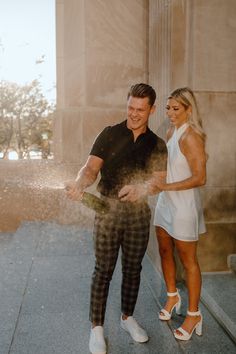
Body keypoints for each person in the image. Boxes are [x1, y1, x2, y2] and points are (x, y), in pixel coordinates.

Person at [66, 83, 167, 354]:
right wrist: (79, 184)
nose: (134, 114)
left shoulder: (157, 144)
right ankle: (96, 330)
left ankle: (127, 319)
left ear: (152, 110)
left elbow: (159, 182)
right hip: (106, 211)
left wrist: (141, 188)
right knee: (103, 270)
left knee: (133, 270)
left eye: (140, 110)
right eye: (130, 107)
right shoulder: (109, 134)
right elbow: (89, 169)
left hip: (138, 215)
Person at [119, 87, 207, 341]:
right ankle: (172, 297)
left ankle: (193, 314)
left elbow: (201, 178)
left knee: (189, 261)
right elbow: (164, 170)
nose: (170, 113)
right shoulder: (170, 131)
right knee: (165, 251)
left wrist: (165, 187)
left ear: (189, 110)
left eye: (176, 108)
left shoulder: (191, 137)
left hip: (184, 206)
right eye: (168, 107)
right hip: (165, 204)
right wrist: (147, 184)